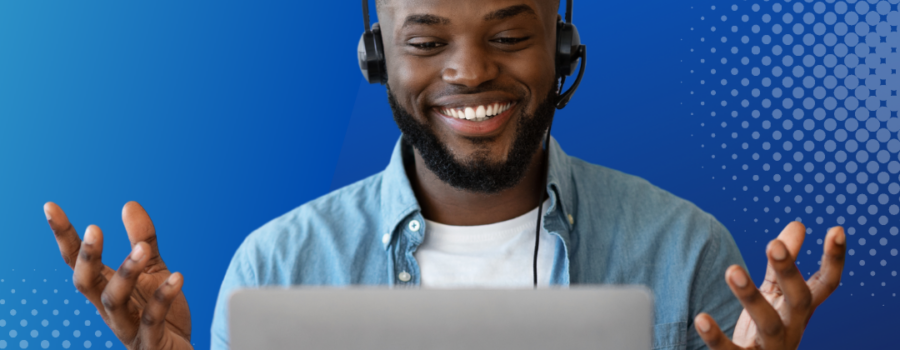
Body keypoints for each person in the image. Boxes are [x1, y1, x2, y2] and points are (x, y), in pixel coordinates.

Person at [41, 1, 847, 349]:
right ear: (377, 56)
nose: (470, 72)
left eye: (507, 35)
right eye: (426, 42)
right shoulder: (275, 268)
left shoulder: (688, 253)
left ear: (561, 51)